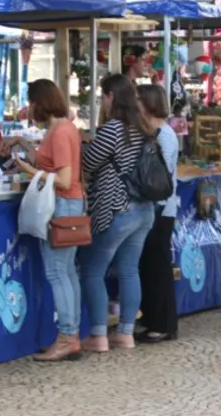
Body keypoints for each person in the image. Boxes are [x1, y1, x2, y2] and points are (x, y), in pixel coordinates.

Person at [0, 80, 85, 361]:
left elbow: (63, 178)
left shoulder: (59, 132)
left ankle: (67, 336)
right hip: (70, 203)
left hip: (61, 204)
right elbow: (48, 162)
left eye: (31, 101)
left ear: (41, 102)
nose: (29, 107)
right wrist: (22, 143)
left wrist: (28, 169)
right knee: (67, 271)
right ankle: (71, 335)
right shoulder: (63, 128)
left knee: (57, 272)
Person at [79, 74, 156, 352]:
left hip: (116, 209)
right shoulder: (143, 127)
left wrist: (81, 143)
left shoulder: (114, 128)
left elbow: (88, 162)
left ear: (111, 96)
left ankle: (99, 335)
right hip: (143, 209)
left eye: (103, 96)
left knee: (92, 270)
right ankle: (125, 334)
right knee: (129, 270)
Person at [134, 84, 180, 344]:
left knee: (158, 267)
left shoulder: (162, 134)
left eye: (139, 100)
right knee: (149, 265)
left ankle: (163, 323)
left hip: (161, 208)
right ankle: (152, 318)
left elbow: (157, 174)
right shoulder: (156, 132)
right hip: (158, 206)